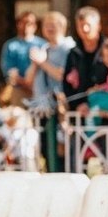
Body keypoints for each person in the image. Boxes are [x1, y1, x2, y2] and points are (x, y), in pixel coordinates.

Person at [24, 11, 74, 170]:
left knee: (60, 149)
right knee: (44, 148)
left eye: (53, 25)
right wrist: (34, 62)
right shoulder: (43, 48)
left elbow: (63, 75)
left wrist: (42, 62)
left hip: (59, 107)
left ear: (62, 26)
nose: (49, 28)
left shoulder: (68, 48)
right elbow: (28, 79)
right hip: (40, 107)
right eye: (46, 25)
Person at [62, 6, 108, 114]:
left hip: (105, 112)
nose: (85, 29)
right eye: (81, 26)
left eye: (88, 25)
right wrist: (78, 105)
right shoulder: (73, 53)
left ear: (98, 26)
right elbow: (66, 84)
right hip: (81, 112)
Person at [0, 11, 46, 107]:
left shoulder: (43, 44)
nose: (26, 26)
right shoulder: (10, 45)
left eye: (30, 23)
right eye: (23, 22)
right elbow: (8, 71)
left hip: (40, 89)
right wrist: (26, 85)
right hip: (19, 89)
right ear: (18, 24)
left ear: (35, 26)